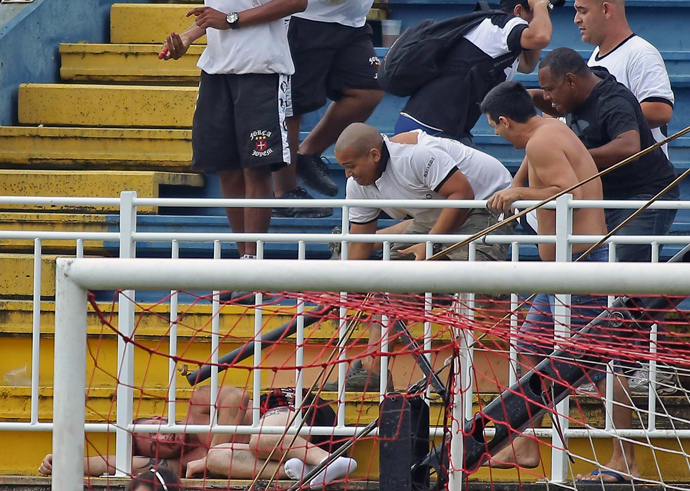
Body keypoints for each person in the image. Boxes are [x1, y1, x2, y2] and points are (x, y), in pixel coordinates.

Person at [481, 80, 638, 484]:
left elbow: (565, 191)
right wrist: (516, 183)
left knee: (601, 363)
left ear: (504, 120)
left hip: (580, 266)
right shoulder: (551, 126)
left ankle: (626, 460)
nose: (496, 135)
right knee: (529, 349)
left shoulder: (542, 142)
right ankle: (526, 440)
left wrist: (518, 192)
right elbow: (539, 169)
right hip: (562, 272)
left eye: (495, 127)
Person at [325, 122, 514, 391]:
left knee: (472, 282)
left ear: (374, 155)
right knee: (388, 279)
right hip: (433, 212)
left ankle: (524, 333)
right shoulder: (358, 185)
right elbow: (359, 247)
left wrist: (430, 243)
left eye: (351, 165)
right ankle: (373, 371)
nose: (347, 173)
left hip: (484, 204)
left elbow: (461, 194)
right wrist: (340, 289)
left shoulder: (415, 156)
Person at [158, 0, 307, 303]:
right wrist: (187, 38)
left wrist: (231, 19)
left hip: (262, 69)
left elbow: (296, 2)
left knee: (256, 167)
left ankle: (253, 269)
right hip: (216, 70)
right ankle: (243, 270)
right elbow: (218, 15)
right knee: (226, 166)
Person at [39, 385, 356, 487]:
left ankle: (327, 462)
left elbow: (235, 396)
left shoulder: (198, 407)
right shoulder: (175, 464)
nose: (163, 439)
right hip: (291, 452)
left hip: (298, 411)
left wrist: (211, 451)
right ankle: (310, 473)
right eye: (155, 445)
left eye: (155, 429)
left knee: (255, 441)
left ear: (160, 417)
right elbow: (113, 464)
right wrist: (63, 462)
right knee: (220, 459)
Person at [530, 48, 679, 264]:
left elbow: (629, 148)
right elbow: (554, 105)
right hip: (608, 195)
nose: (547, 97)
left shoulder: (613, 101)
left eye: (550, 90)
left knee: (622, 267)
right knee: (597, 263)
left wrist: (577, 159)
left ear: (571, 81)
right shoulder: (578, 93)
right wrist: (526, 96)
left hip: (646, 193)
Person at [272, 0, 385, 217]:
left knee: (369, 89)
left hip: (352, 21)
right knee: (291, 106)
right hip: (305, 17)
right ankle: (284, 193)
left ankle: (307, 153)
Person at [393, 0, 553, 145]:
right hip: (426, 128)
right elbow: (540, 37)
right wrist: (539, 5)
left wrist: (542, 11)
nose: (541, 19)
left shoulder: (501, 40)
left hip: (445, 130)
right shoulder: (501, 25)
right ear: (518, 11)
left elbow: (528, 65)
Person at [573, 0, 674, 157]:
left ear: (606, 10)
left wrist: (598, 117)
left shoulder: (641, 54)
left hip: (643, 178)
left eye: (583, 11)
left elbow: (661, 110)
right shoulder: (595, 56)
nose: (576, 19)